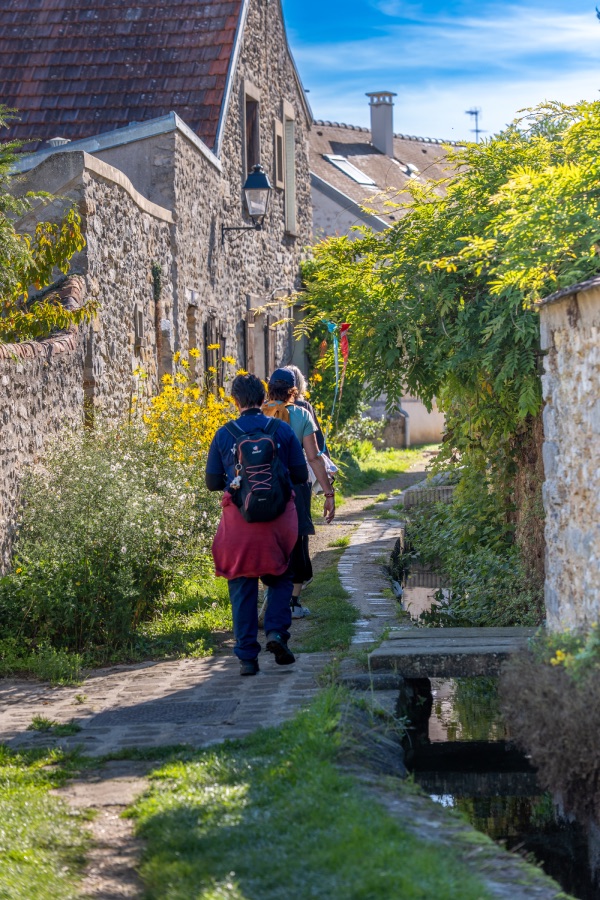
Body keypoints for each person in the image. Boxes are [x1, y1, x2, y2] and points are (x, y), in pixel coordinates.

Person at [205, 373, 308, 676]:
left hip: (240, 522)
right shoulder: (280, 429)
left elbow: (212, 482)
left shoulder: (224, 433)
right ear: (264, 399)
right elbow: (301, 476)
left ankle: (247, 657)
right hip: (277, 521)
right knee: (281, 575)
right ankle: (276, 634)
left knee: (241, 583)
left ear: (235, 401)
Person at [263, 368, 335, 618]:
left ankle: (270, 596)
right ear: (294, 390)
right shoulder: (302, 414)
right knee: (296, 542)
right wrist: (328, 493)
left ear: (269, 388)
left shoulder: (261, 414)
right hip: (295, 487)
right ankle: (292, 603)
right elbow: (314, 458)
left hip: (264, 489)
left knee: (268, 539)